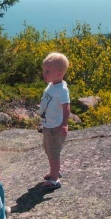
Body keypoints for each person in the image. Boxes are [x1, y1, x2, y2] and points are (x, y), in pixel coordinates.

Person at [38, 52, 70, 189]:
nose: (44, 74)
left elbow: (66, 107)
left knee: (53, 152)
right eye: (44, 70)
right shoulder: (52, 85)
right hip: (48, 125)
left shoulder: (62, 90)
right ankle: (54, 171)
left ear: (59, 73)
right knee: (48, 149)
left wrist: (64, 124)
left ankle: (55, 179)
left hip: (55, 127)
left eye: (48, 71)